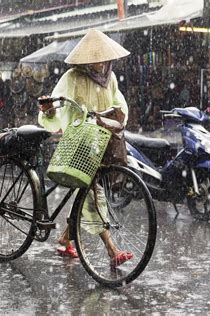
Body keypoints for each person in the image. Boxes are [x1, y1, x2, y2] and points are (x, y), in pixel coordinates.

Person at [38, 29, 133, 266]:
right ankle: (113, 251)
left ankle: (64, 239)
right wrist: (50, 111)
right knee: (93, 193)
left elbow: (119, 105)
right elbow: (58, 106)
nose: (100, 63)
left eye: (103, 58)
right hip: (79, 142)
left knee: (86, 194)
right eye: (95, 58)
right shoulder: (72, 77)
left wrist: (116, 118)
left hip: (100, 143)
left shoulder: (110, 78)